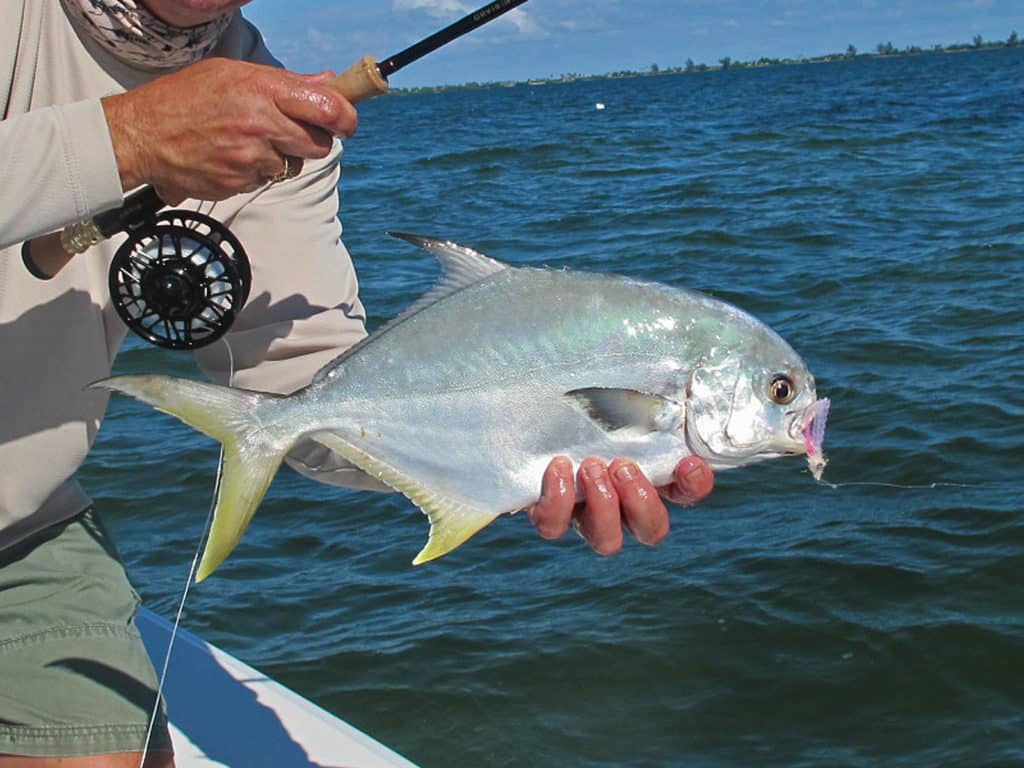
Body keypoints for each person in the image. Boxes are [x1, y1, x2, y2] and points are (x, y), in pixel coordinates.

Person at [0, 0, 715, 765]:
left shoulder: (268, 116)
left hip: (22, 523)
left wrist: (514, 449)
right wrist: (127, 139)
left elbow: (310, 378)